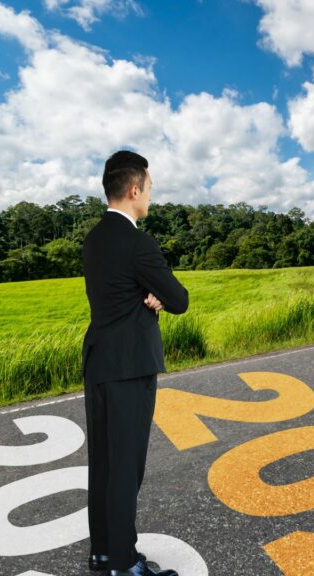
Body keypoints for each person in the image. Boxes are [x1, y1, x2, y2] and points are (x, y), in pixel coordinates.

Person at [81, 150, 188, 575]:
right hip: (130, 368)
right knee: (127, 469)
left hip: (98, 363)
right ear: (133, 189)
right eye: (149, 189)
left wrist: (145, 293)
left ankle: (103, 553)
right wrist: (156, 296)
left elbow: (117, 293)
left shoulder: (94, 239)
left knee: (104, 465)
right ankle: (125, 565)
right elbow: (179, 300)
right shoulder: (138, 243)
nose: (150, 197)